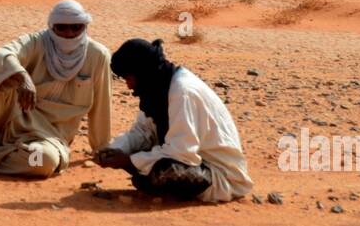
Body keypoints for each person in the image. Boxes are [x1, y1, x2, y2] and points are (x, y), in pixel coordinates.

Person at [0, 0, 111, 180]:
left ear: (85, 26)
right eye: (62, 27)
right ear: (52, 27)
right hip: (12, 124)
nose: (69, 33)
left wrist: (101, 147)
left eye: (76, 27)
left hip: (49, 140)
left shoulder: (98, 55)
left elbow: (102, 104)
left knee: (42, 163)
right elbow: (1, 55)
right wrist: (22, 77)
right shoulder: (37, 42)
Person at [94, 38, 252, 203]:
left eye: (129, 77)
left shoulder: (182, 92)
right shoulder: (156, 90)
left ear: (142, 71)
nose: (128, 85)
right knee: (143, 165)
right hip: (195, 162)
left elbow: (181, 153)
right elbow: (142, 132)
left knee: (165, 171)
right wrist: (114, 149)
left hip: (222, 177)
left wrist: (128, 161)